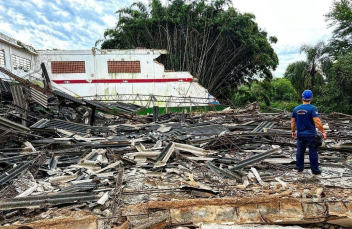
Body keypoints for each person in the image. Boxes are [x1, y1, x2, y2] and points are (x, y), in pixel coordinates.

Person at [291, 90, 327, 174]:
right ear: (311, 98)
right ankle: (315, 170)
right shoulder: (313, 108)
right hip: (311, 134)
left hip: (300, 134)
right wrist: (323, 131)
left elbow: (292, 122)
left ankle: (299, 168)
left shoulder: (296, 109)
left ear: (302, 98)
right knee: (313, 151)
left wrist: (293, 131)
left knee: (300, 151)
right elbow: (317, 121)